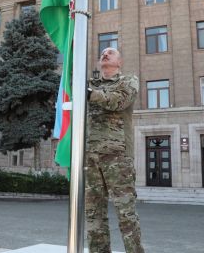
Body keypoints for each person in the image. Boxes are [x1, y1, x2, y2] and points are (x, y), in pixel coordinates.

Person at [86, 47, 144, 253]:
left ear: (119, 62)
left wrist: (91, 95)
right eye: (102, 52)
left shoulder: (128, 81)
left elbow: (119, 101)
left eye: (111, 52)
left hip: (117, 156)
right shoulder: (90, 85)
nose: (105, 54)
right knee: (94, 215)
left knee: (126, 214)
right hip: (90, 157)